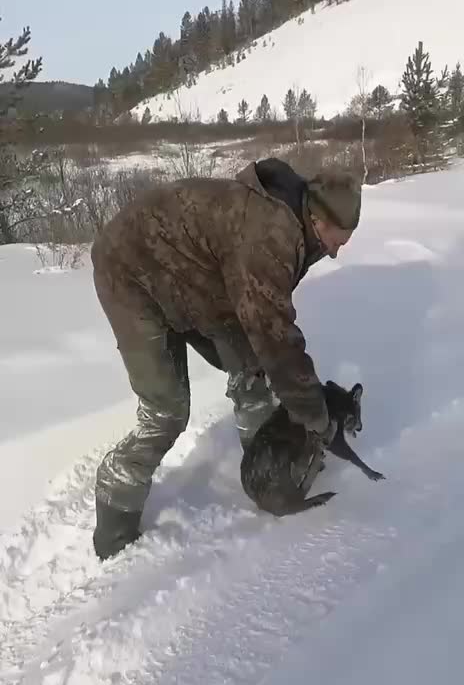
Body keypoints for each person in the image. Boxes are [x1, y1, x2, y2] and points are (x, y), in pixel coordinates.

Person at [91, 157, 361, 560]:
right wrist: (317, 417)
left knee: (251, 371)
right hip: (130, 275)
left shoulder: (300, 219)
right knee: (166, 412)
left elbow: (262, 325)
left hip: (196, 282)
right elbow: (278, 341)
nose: (337, 253)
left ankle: (269, 472)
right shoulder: (270, 236)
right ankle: (115, 521)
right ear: (318, 219)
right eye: (338, 240)